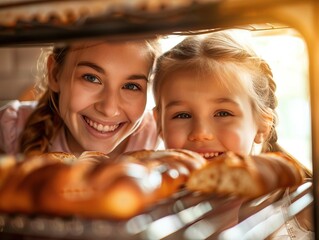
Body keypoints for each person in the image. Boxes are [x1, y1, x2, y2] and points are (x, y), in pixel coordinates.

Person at [152, 31, 313, 239]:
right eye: (182, 115)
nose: (201, 133)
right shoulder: (146, 214)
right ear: (159, 124)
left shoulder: (303, 211)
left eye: (223, 113)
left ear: (262, 126)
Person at [0, 38, 161, 158]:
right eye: (91, 78)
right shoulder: (10, 128)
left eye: (131, 86)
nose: (109, 109)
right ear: (55, 74)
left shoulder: (159, 134)